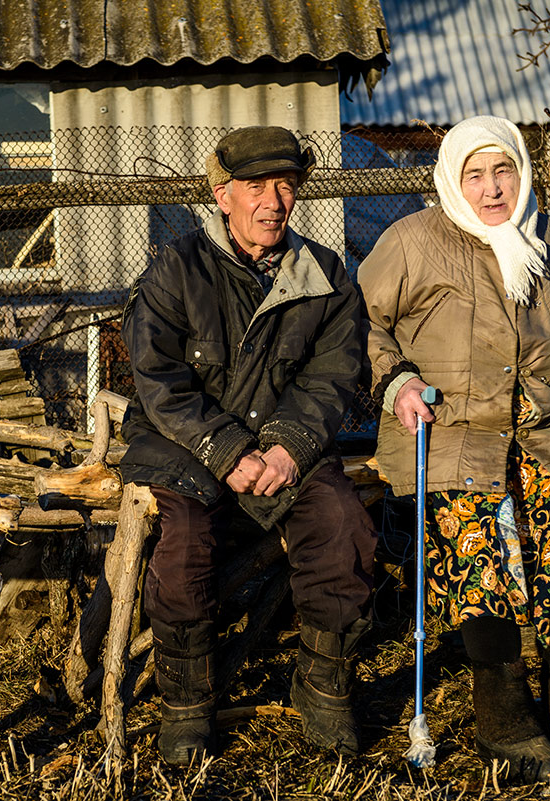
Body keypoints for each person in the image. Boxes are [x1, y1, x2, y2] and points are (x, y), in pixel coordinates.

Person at [357, 115, 550, 783]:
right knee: (476, 536)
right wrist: (396, 381)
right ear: (452, 178)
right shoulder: (412, 242)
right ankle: (501, 706)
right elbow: (358, 328)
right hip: (448, 434)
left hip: (549, 430)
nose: (491, 186)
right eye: (475, 173)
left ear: (522, 171)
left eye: (502, 169)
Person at [119, 126, 378, 765]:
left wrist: (289, 448)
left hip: (286, 443)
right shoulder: (177, 269)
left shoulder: (323, 274)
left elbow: (334, 371)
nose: (272, 201)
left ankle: (323, 683)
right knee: (182, 550)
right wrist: (228, 452)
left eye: (285, 185)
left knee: (344, 528)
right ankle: (186, 704)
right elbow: (158, 380)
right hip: (186, 443)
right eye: (255, 186)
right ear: (222, 195)